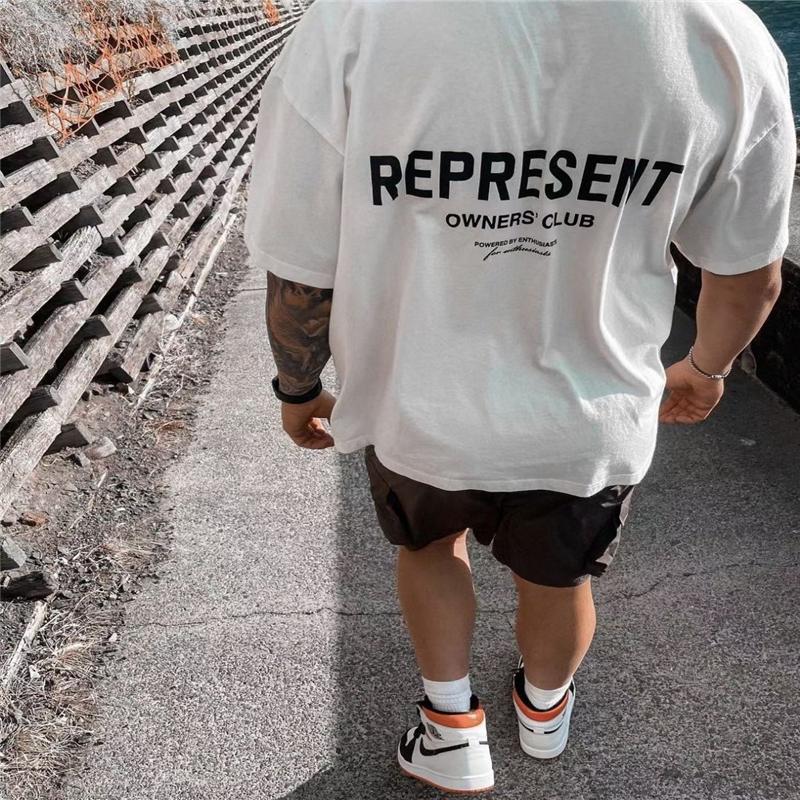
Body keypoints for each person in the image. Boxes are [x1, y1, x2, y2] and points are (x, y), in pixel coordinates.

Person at [244, 1, 795, 793]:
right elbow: (752, 273)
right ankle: (543, 710)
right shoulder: (723, 32)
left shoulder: (354, 21)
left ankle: (450, 730)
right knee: (560, 578)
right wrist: (705, 368)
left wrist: (297, 387)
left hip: (417, 405)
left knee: (429, 549)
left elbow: (300, 267)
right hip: (587, 417)